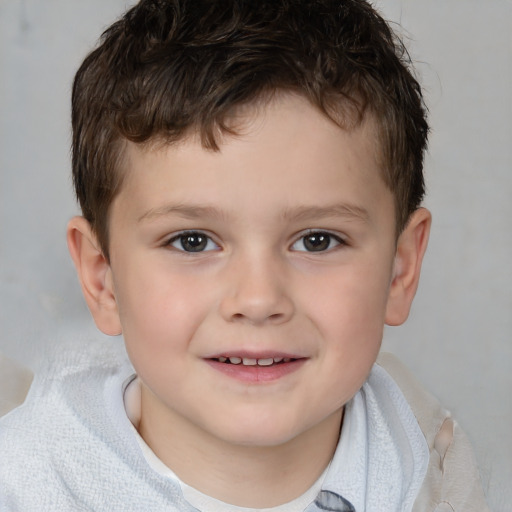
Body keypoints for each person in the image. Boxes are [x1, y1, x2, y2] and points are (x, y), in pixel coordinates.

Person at [0, 1, 489, 510]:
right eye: (192, 241)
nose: (257, 300)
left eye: (317, 240)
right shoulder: (26, 487)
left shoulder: (431, 466)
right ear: (103, 279)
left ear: (400, 269)